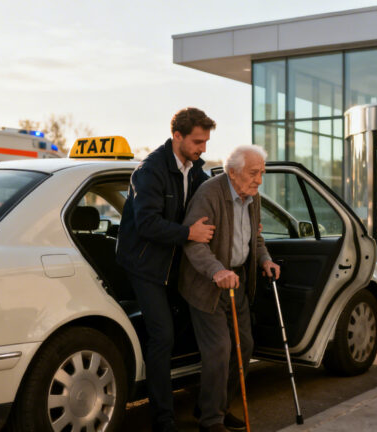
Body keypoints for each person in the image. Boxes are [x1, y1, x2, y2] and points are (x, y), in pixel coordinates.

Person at [116, 107, 217, 432]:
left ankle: (206, 408)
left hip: (176, 264)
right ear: (178, 136)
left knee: (193, 324)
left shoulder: (196, 170)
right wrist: (188, 234)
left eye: (205, 141)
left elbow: (212, 205)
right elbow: (146, 224)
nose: (203, 148)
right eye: (198, 141)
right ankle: (163, 419)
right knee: (163, 336)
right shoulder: (151, 171)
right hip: (145, 265)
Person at [180, 145, 281, 432]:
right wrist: (217, 271)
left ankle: (215, 408)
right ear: (232, 172)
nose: (259, 180)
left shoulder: (252, 196)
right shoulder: (209, 194)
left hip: (237, 282)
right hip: (207, 284)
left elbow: (254, 238)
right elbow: (193, 243)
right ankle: (211, 421)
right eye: (253, 173)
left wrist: (265, 259)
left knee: (244, 346)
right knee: (220, 350)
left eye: (262, 172)